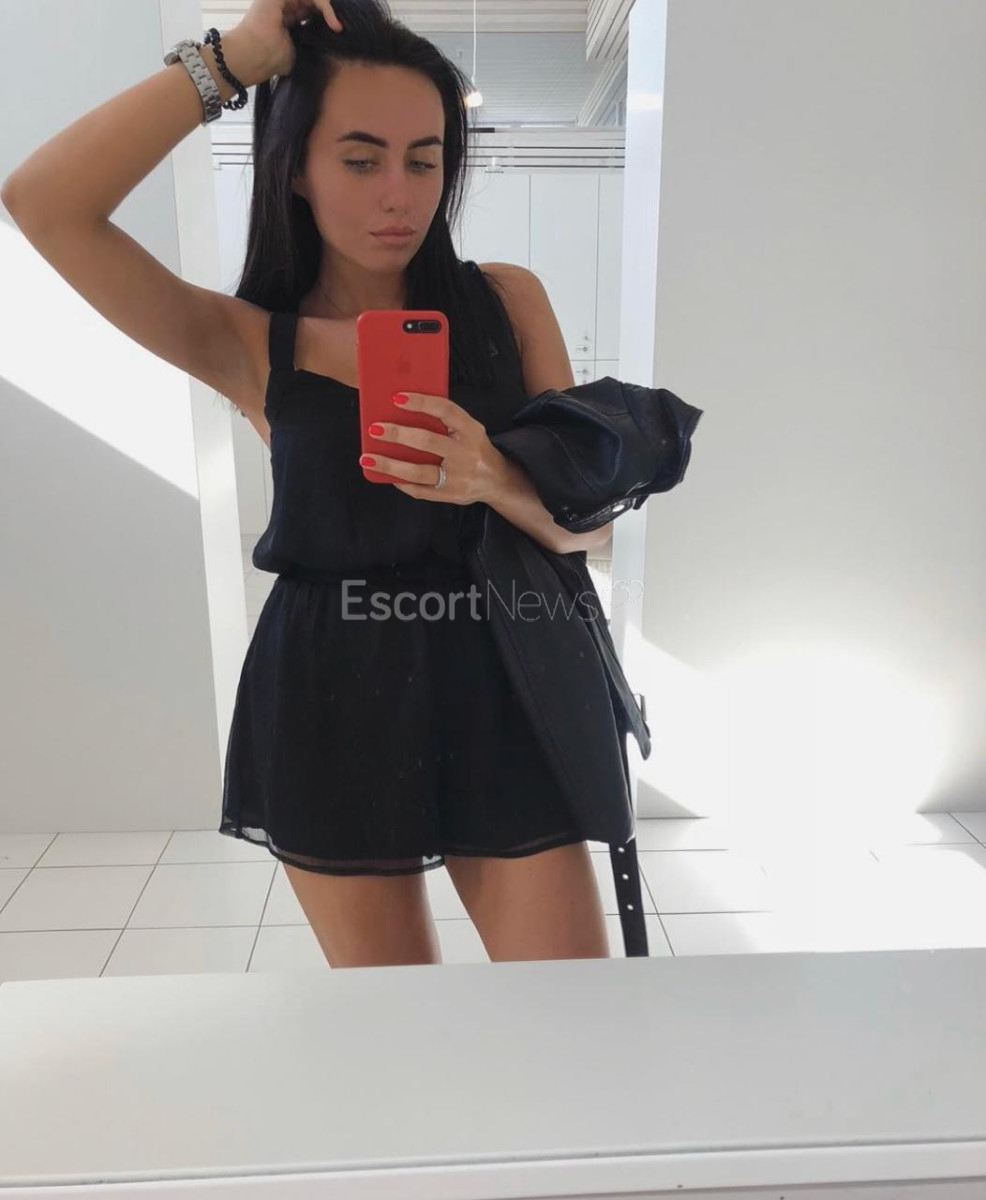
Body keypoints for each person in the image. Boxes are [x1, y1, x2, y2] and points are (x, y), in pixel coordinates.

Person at [1, 0, 621, 969]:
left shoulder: (507, 302)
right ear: (295, 165)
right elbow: (44, 202)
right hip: (332, 695)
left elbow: (593, 530)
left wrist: (496, 477)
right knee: (392, 1021)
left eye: (424, 160)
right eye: (361, 159)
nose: (399, 196)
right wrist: (237, 58)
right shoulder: (252, 342)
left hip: (504, 679)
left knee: (573, 1009)